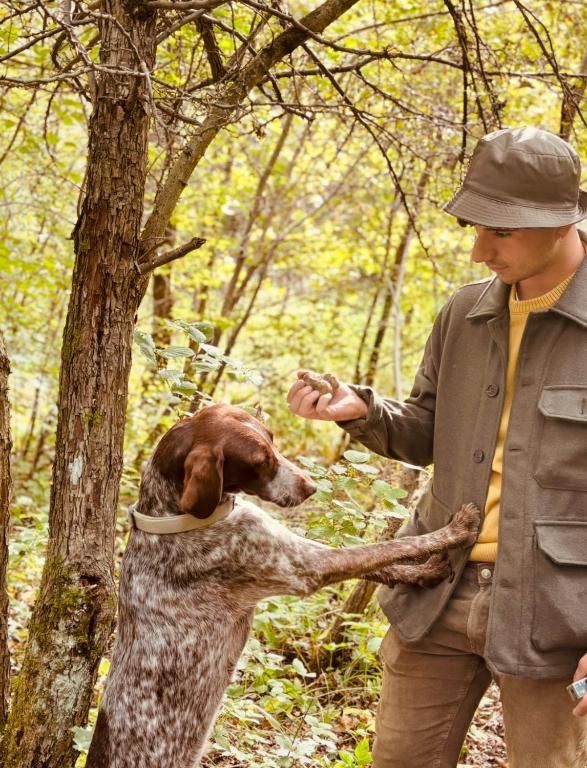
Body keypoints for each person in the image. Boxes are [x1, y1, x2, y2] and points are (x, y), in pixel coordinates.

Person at [287, 127, 587, 768]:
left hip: (560, 615)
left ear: (561, 221)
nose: (480, 251)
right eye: (474, 228)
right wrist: (363, 412)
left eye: (500, 231)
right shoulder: (463, 315)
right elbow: (428, 430)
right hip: (437, 589)